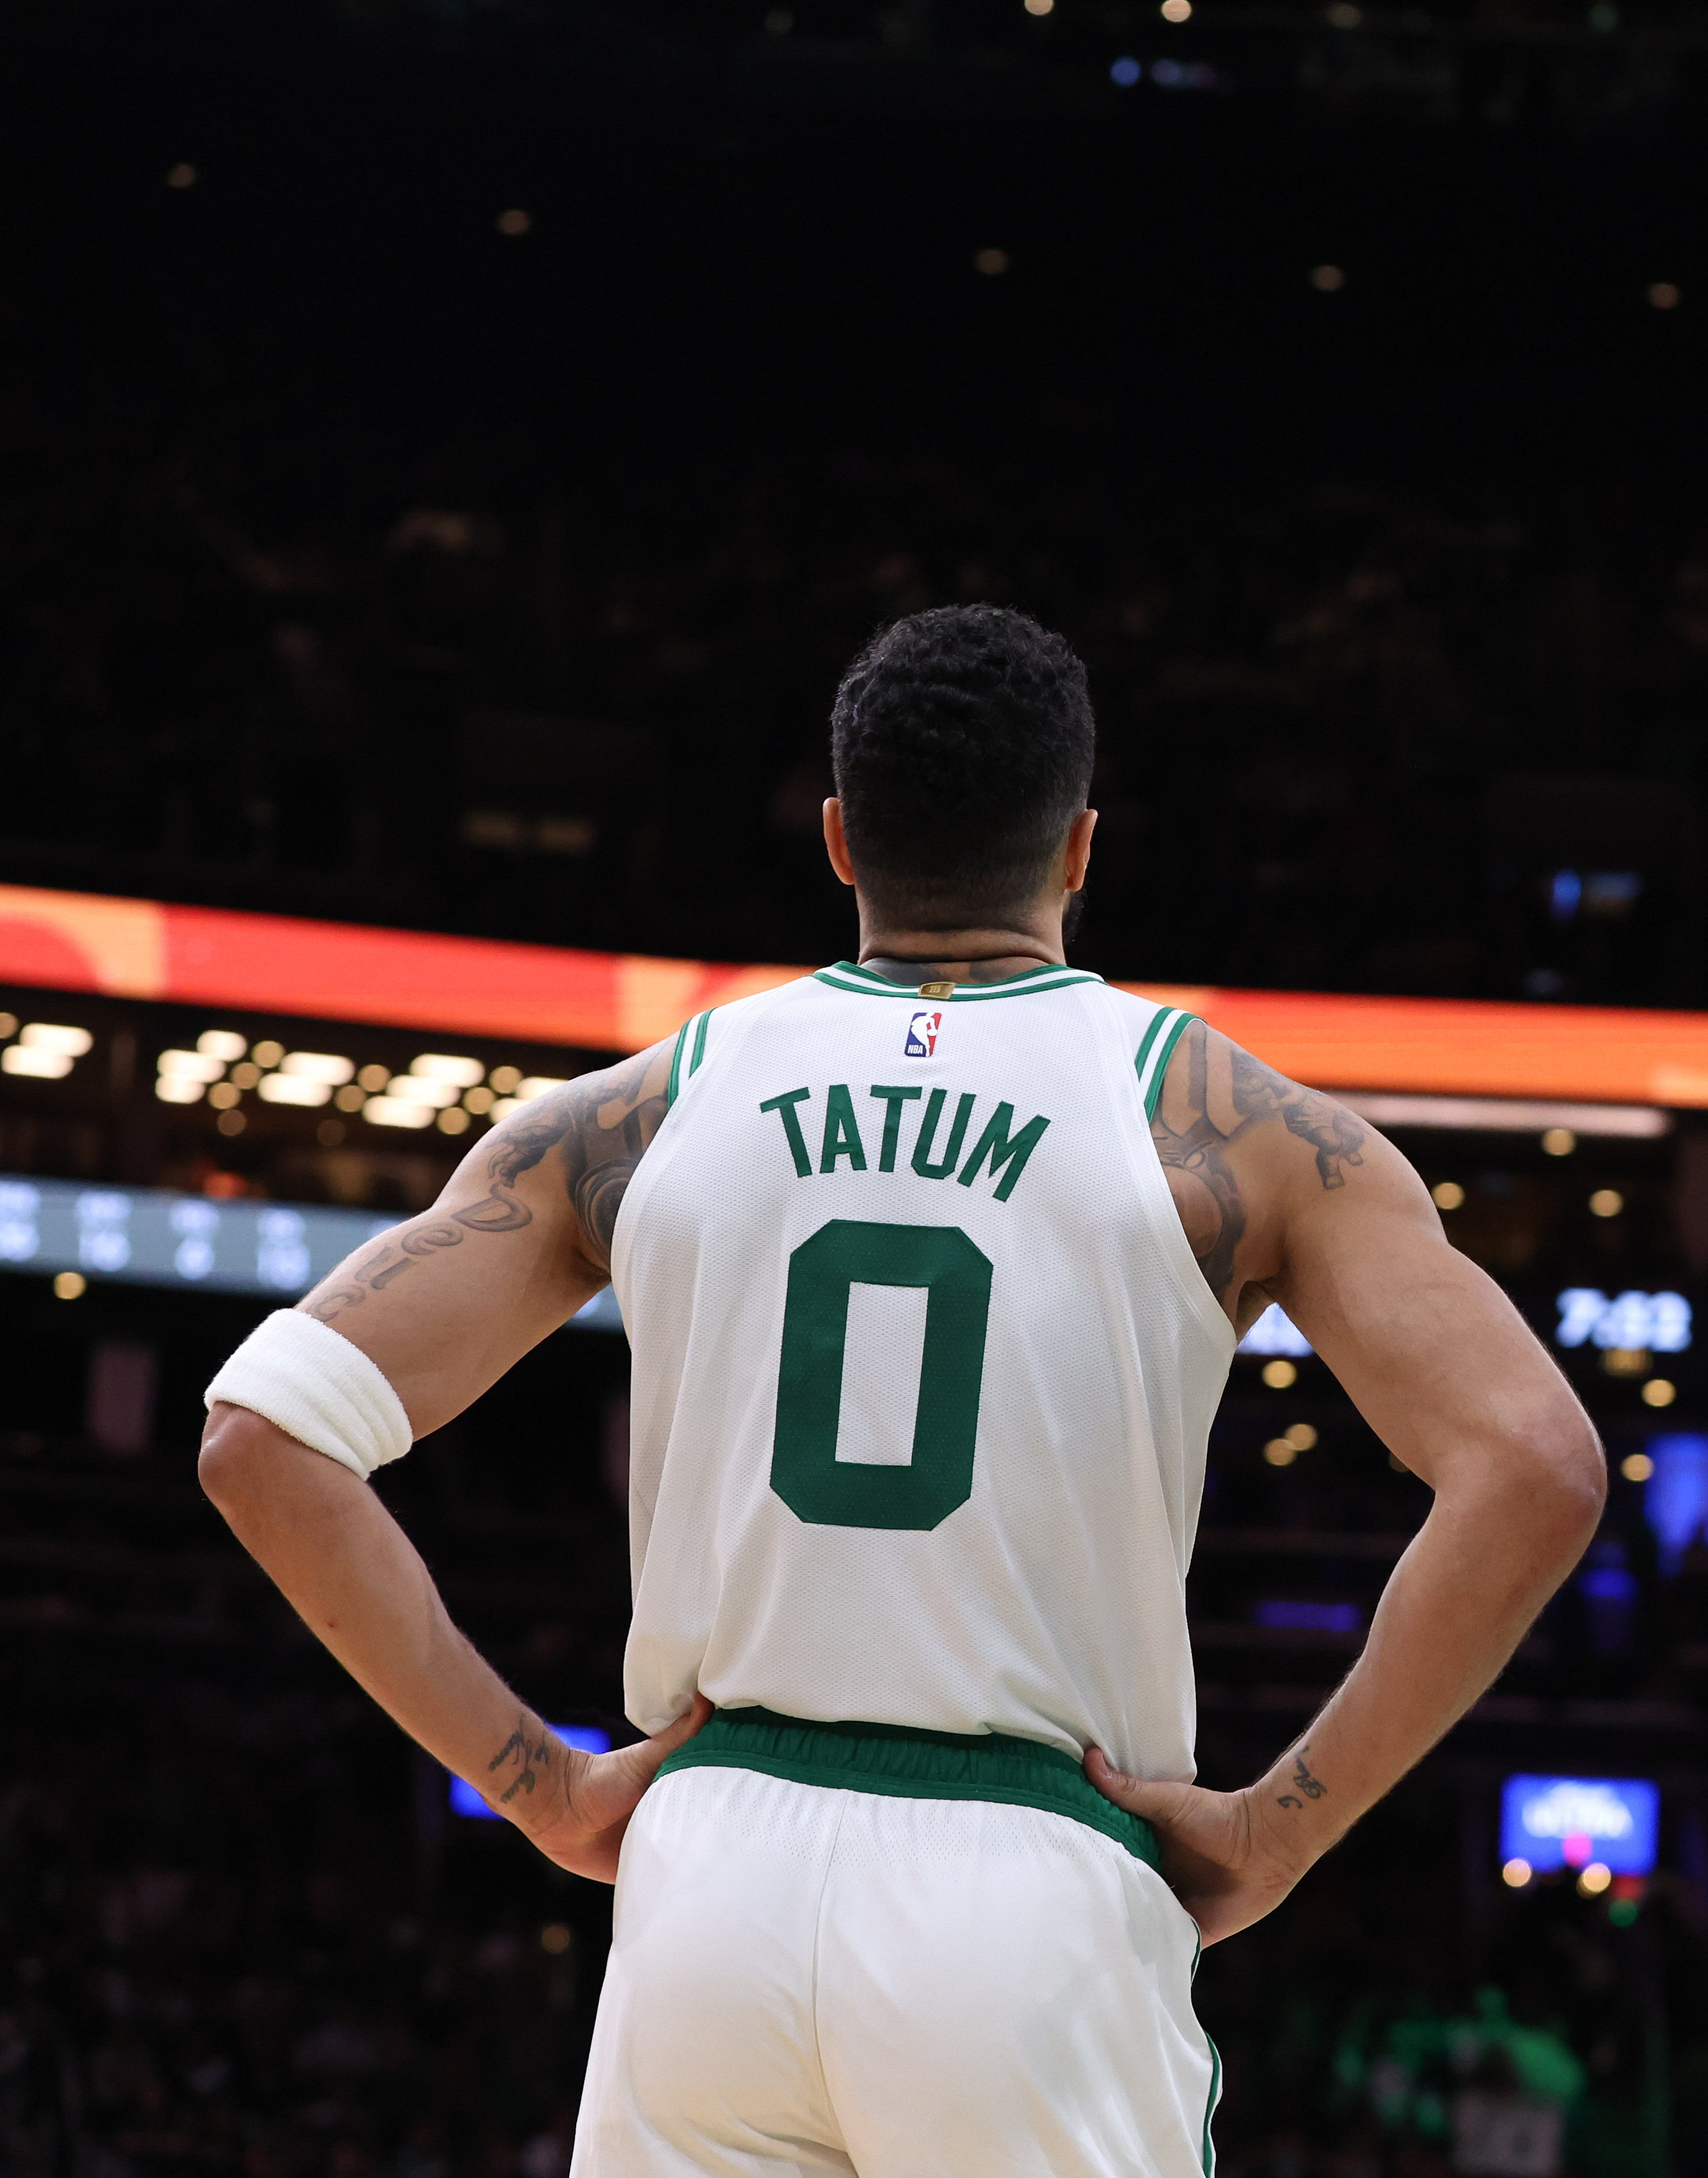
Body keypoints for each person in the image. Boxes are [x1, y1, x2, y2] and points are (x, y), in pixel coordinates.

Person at [197, 604, 1607, 2175]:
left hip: (705, 1890)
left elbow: (263, 1440)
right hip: (1028, 1890)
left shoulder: (646, 1106)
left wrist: (539, 1785)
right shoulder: (1231, 1124)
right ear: (1080, 848)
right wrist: (1285, 1827)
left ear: (836, 841)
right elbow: (1536, 1467)